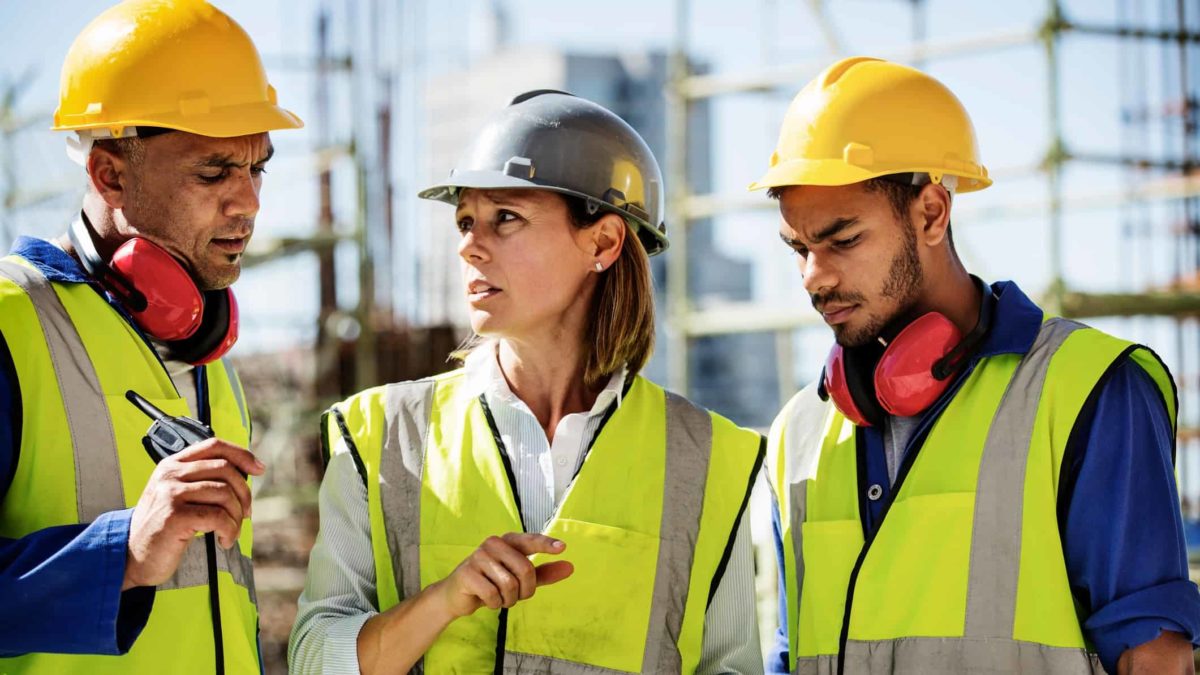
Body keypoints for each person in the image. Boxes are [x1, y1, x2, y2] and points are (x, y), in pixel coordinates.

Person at [289, 90, 765, 674]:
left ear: (603, 242)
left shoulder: (711, 460)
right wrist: (443, 601)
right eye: (465, 221)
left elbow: (732, 666)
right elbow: (314, 661)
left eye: (505, 218)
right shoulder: (380, 437)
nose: (469, 244)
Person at [754, 56, 1200, 674]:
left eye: (843, 240)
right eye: (799, 248)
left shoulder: (1087, 391)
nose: (814, 277)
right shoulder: (797, 433)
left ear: (932, 213)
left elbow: (1155, 659)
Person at [0, 1, 302, 672]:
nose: (249, 201)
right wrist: (122, 554)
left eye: (258, 168)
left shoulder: (204, 349)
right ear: (110, 173)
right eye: (215, 171)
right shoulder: (11, 323)